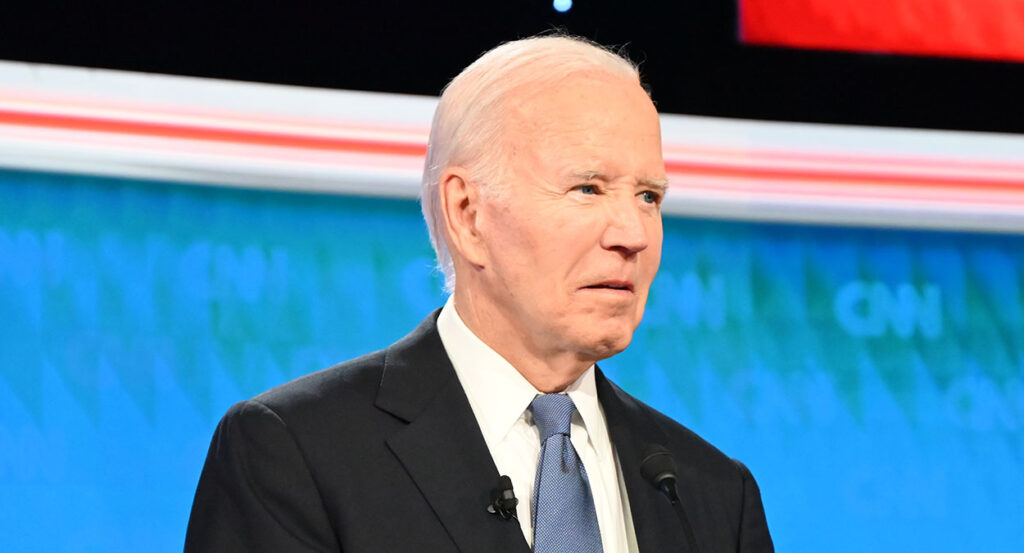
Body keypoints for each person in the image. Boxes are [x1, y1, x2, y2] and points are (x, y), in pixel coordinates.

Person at [185, 35, 774, 553]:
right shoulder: (295, 454)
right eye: (588, 188)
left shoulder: (714, 494)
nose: (634, 235)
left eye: (649, 196)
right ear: (468, 214)